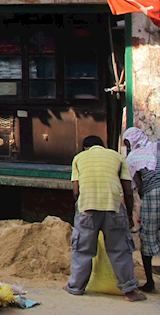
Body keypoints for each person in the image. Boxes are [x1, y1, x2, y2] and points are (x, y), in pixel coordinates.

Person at [65, 135, 146, 301]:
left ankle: (76, 287)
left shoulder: (79, 158)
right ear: (103, 146)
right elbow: (128, 191)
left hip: (87, 208)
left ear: (85, 147)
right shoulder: (117, 156)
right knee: (120, 250)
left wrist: (81, 207)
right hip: (113, 208)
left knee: (82, 250)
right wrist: (129, 215)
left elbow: (75, 190)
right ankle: (130, 291)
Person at [124, 127, 160, 292]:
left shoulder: (133, 157)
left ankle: (150, 283)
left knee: (148, 237)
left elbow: (137, 185)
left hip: (153, 195)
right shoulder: (156, 146)